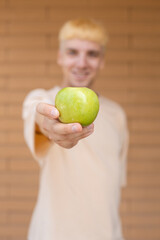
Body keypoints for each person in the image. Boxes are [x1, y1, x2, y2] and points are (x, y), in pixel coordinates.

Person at [22, 19, 129, 240]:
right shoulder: (43, 101)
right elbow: (40, 121)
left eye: (92, 54)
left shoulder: (116, 115)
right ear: (60, 57)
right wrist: (51, 129)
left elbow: (114, 184)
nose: (82, 63)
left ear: (101, 62)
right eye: (72, 52)